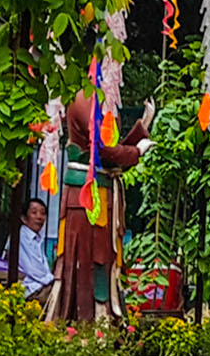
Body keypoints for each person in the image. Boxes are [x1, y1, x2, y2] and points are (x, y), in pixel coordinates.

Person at [47, 94, 153, 322]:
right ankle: (84, 325)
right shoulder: (84, 97)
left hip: (102, 193)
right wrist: (136, 152)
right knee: (85, 260)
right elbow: (102, 148)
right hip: (86, 197)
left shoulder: (100, 99)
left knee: (103, 260)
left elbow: (108, 154)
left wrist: (141, 128)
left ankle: (102, 324)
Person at [15, 198, 54, 297]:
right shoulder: (22, 237)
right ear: (24, 218)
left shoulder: (37, 239)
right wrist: (53, 280)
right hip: (30, 289)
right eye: (34, 212)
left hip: (39, 287)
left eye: (42, 213)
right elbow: (33, 270)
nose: (39, 217)